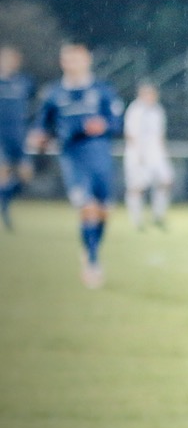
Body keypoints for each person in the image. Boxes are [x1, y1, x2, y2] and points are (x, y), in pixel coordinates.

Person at [28, 42, 124, 288]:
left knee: (103, 212)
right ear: (63, 62)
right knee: (87, 208)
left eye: (78, 59)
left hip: (100, 157)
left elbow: (117, 122)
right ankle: (92, 263)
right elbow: (41, 125)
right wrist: (37, 136)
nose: (73, 64)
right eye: (68, 59)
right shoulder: (53, 93)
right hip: (73, 157)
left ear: (87, 60)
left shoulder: (102, 90)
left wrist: (105, 126)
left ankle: (91, 248)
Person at [123, 80, 175, 231]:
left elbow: (160, 134)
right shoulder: (135, 110)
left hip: (156, 153)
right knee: (137, 187)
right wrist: (138, 154)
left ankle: (158, 215)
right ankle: (136, 220)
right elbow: (130, 134)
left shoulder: (157, 110)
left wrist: (163, 153)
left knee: (166, 181)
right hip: (138, 154)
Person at [0, 45, 36, 230]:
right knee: (4, 173)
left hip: (19, 136)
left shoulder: (24, 82)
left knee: (25, 177)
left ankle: (3, 202)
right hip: (1, 137)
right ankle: (5, 213)